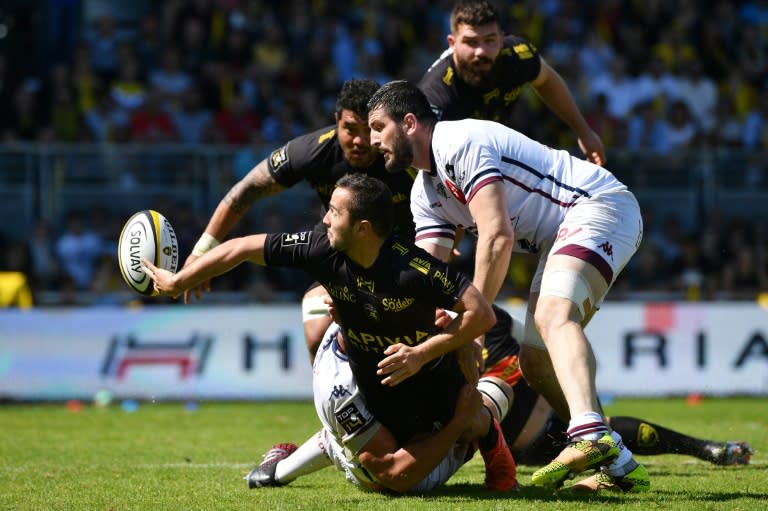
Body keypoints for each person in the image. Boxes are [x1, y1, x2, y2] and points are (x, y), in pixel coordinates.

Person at [144, 173, 518, 491]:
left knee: (466, 419)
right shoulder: (321, 249)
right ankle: (326, 439)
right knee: (381, 473)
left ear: (363, 228)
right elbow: (242, 247)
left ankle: (492, 441)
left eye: (334, 212)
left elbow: (481, 314)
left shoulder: (414, 269)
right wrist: (179, 281)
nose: (323, 219)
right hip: (358, 372)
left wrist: (426, 352)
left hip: (426, 378)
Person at [366, 79, 648, 492]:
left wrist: (473, 321)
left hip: (599, 206)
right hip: (561, 234)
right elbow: (425, 279)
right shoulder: (425, 193)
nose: (373, 140)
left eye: (377, 127)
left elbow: (497, 236)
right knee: (534, 363)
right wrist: (373, 308)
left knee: (554, 316)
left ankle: (589, 435)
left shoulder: (459, 141)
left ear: (409, 122)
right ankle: (617, 463)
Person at [246, 311, 753, 492]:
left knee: (539, 429)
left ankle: (702, 448)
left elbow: (504, 374)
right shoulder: (419, 318)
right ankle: (276, 469)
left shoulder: (487, 326)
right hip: (445, 422)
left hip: (482, 413)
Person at [183, 79, 415, 362]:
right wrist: (202, 250)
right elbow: (247, 189)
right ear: (336, 121)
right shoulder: (312, 151)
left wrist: (446, 240)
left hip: (406, 256)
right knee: (317, 337)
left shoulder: (404, 156)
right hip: (342, 249)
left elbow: (447, 194)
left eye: (368, 130)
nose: (359, 141)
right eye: (349, 129)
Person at [246, 322, 516, 494]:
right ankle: (495, 458)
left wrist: (465, 339)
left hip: (347, 440)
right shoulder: (338, 383)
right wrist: (458, 421)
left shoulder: (361, 313)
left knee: (345, 433)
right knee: (493, 394)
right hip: (397, 476)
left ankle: (273, 473)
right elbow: (394, 475)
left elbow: (469, 311)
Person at [418, 0, 606, 166]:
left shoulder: (517, 55)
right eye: (471, 42)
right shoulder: (436, 94)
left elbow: (547, 79)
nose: (481, 51)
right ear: (452, 43)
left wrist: (584, 133)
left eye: (489, 40)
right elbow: (425, 160)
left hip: (495, 153)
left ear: (501, 39)